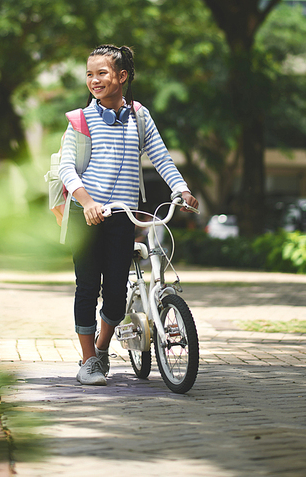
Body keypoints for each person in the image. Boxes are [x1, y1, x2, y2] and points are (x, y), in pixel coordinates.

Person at [59, 44, 199, 386]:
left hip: (124, 215)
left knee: (118, 291)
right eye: (90, 74)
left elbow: (162, 157)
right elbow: (66, 168)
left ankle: (102, 349)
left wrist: (181, 189)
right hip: (86, 214)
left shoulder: (139, 115)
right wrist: (87, 201)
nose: (94, 80)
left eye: (102, 73)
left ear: (122, 76)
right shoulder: (80, 119)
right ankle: (88, 360)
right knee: (88, 287)